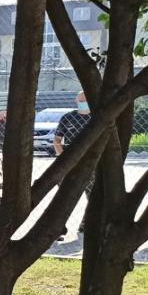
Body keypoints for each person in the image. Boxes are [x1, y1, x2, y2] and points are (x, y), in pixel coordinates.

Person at [53, 90, 93, 234]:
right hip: (69, 163)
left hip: (90, 163)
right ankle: (57, 228)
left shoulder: (96, 118)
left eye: (85, 101)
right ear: (76, 102)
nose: (83, 104)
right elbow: (57, 141)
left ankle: (85, 226)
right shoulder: (67, 118)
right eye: (80, 101)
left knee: (93, 197)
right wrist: (64, 160)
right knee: (63, 199)